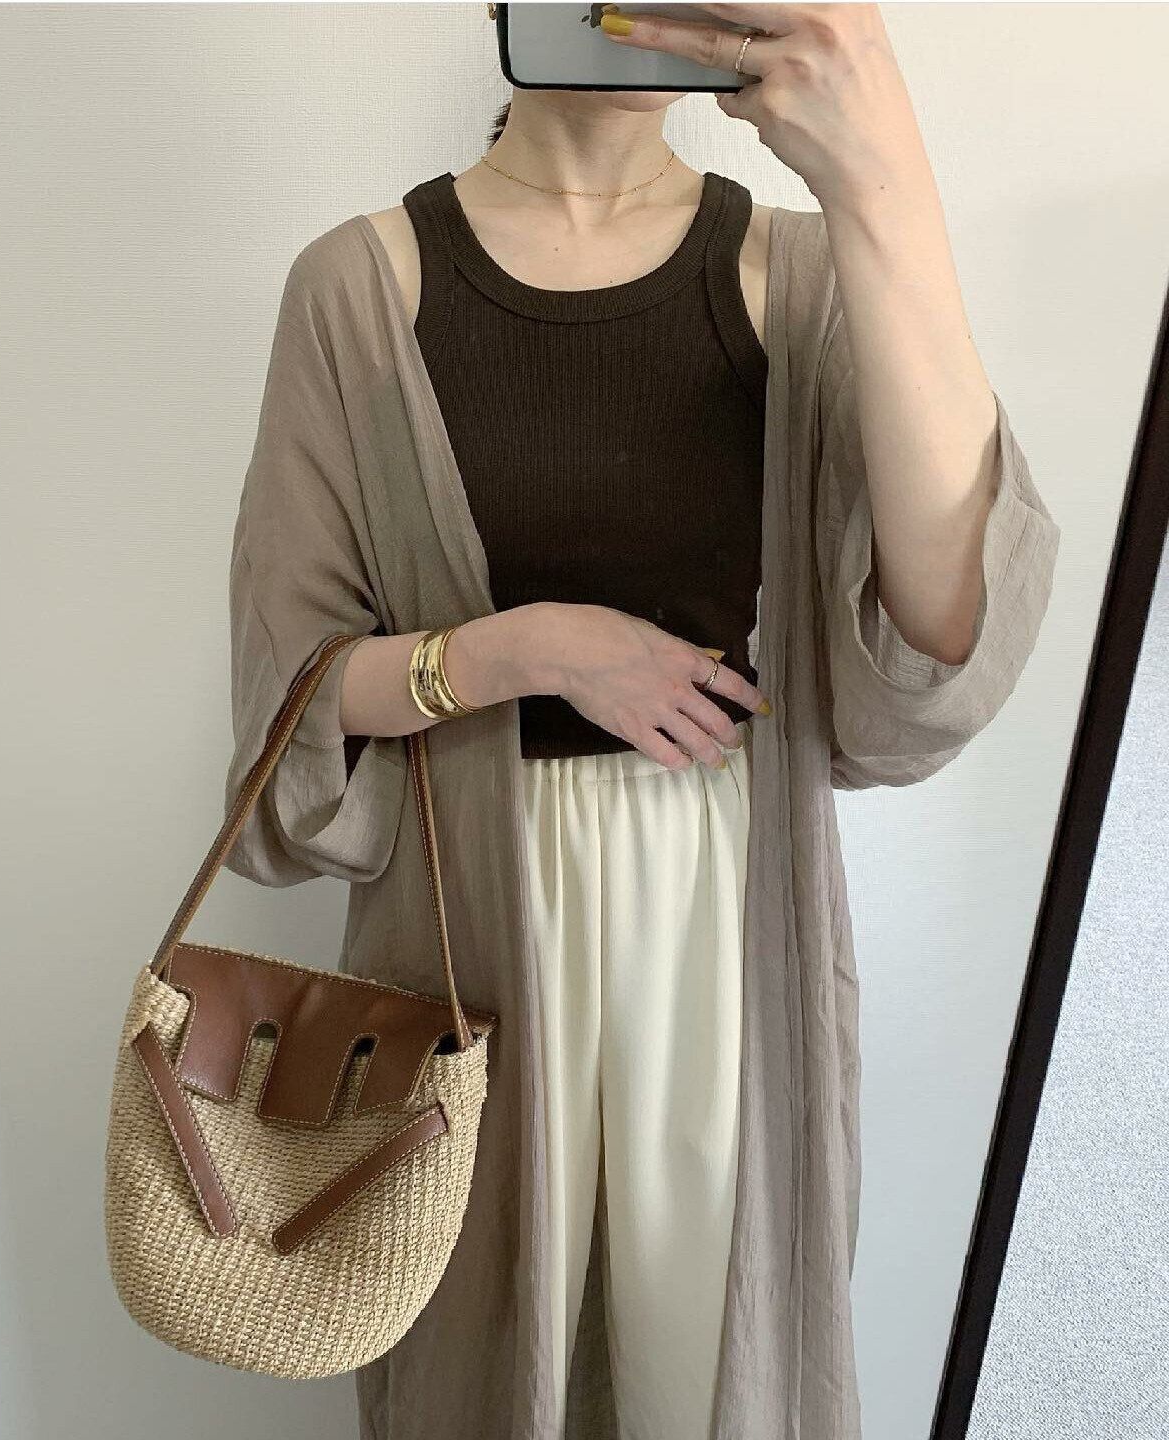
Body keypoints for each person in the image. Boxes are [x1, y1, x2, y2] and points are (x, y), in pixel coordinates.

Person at [222, 5, 1061, 1437]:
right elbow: (285, 701)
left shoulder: (798, 275)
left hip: (726, 935)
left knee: (715, 1377)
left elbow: (944, 637)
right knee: (480, 1377)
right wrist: (527, 651)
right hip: (468, 948)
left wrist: (880, 179)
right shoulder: (361, 286)